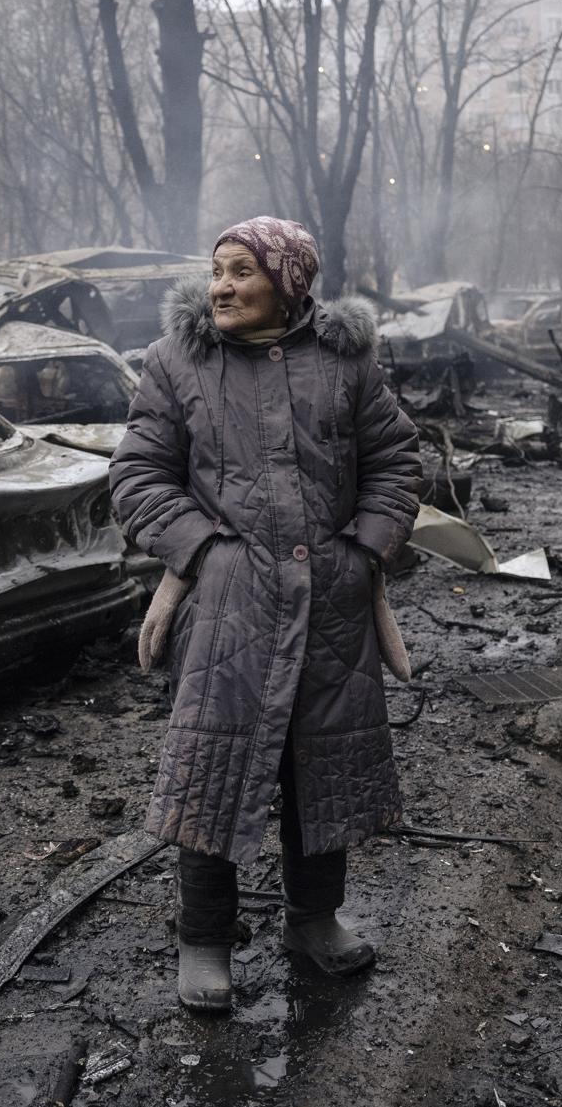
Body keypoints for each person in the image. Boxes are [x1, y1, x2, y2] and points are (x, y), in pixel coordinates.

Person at [109, 217, 422, 1013]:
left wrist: (364, 553)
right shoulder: (177, 360)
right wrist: (204, 553)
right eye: (217, 270)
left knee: (323, 768)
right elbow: (139, 475)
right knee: (212, 770)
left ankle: (313, 921)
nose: (222, 286)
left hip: (332, 605)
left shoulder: (345, 362)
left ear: (288, 284)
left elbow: (395, 461)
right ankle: (205, 941)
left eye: (243, 271)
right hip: (226, 609)